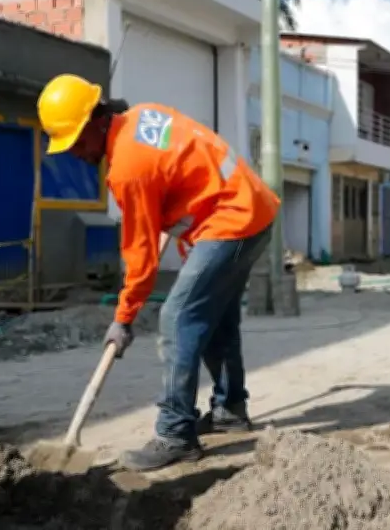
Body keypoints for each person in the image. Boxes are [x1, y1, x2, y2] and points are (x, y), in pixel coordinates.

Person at [37, 74, 280, 471]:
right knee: (216, 320)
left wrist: (123, 318)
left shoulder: (128, 168)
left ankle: (175, 433)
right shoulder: (142, 117)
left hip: (232, 219)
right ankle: (230, 410)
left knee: (178, 317)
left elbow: (140, 255)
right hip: (250, 209)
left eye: (77, 141)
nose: (76, 153)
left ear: (98, 121)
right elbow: (183, 176)